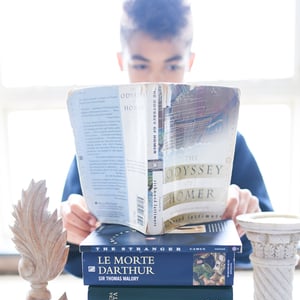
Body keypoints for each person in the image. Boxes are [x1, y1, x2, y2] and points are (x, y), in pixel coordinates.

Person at [61, 0, 273, 277]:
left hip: (201, 290)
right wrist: (69, 230)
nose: (156, 79)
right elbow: (72, 260)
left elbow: (267, 248)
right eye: (141, 65)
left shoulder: (230, 143)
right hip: (122, 292)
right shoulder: (96, 148)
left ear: (190, 61)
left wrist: (249, 219)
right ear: (121, 60)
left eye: (172, 66)